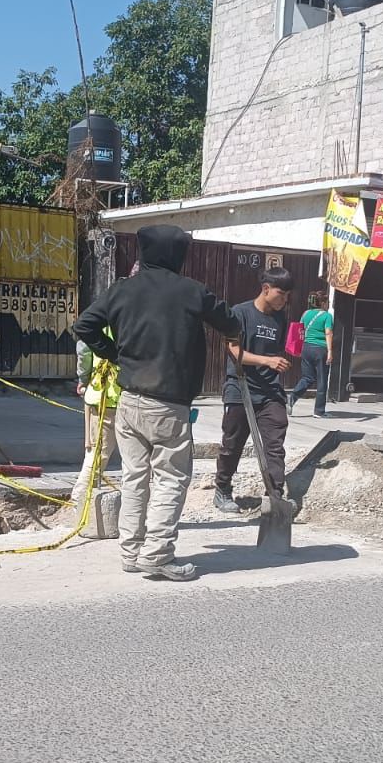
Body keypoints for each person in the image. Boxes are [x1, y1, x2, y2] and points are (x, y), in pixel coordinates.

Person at [72, 225, 241, 581]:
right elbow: (230, 321)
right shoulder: (191, 292)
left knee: (135, 478)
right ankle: (158, 554)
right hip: (168, 404)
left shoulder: (122, 289)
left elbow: (84, 325)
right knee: (171, 479)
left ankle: (131, 552)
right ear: (177, 255)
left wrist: (114, 354)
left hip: (130, 401)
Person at [214, 268, 294, 514]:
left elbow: (280, 350)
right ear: (266, 289)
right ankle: (223, 488)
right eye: (281, 294)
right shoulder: (240, 313)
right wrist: (267, 361)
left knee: (274, 442)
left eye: (287, 295)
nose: (284, 300)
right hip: (240, 388)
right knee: (233, 442)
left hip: (270, 391)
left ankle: (274, 495)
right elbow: (234, 350)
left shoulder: (281, 318)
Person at [72, 332, 121, 504]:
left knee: (96, 453)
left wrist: (83, 379)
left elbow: (84, 349)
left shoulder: (101, 319)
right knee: (99, 454)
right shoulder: (134, 316)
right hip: (114, 397)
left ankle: (80, 502)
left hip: (100, 394)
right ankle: (79, 501)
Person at [289, 290, 333, 417]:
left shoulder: (305, 314)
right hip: (320, 349)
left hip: (306, 348)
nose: (328, 304)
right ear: (323, 303)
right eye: (327, 302)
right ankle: (319, 411)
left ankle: (292, 397)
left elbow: (300, 331)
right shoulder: (327, 316)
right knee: (322, 380)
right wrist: (330, 351)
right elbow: (328, 333)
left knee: (307, 377)